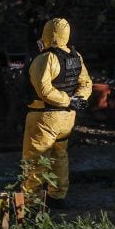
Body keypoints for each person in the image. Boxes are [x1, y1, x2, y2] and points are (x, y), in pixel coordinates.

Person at [22, 18, 92, 208]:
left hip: (44, 117)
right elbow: (86, 83)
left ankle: (30, 203)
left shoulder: (45, 59)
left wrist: (68, 100)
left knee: (35, 159)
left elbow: (43, 90)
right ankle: (57, 196)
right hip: (67, 117)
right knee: (59, 157)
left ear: (46, 34)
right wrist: (78, 100)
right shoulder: (76, 56)